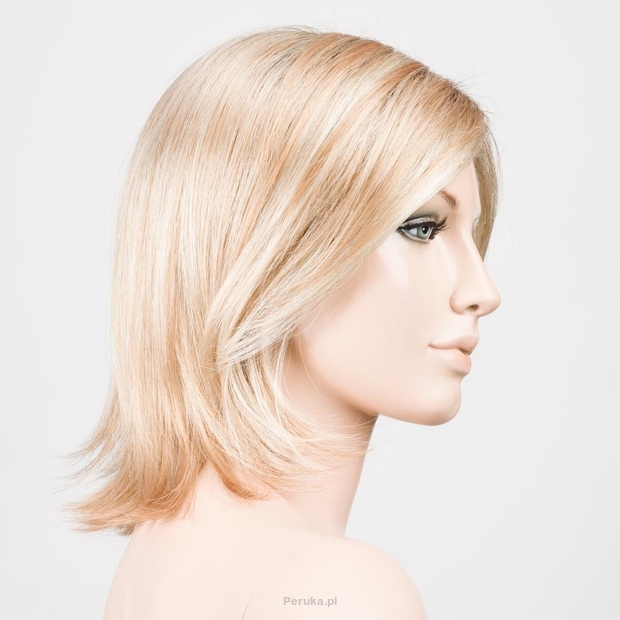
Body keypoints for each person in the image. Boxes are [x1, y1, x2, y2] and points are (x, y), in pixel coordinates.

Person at [61, 25, 501, 619]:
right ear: (271, 250)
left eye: (471, 235)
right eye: (421, 228)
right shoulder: (336, 589)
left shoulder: (162, 553)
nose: (482, 292)